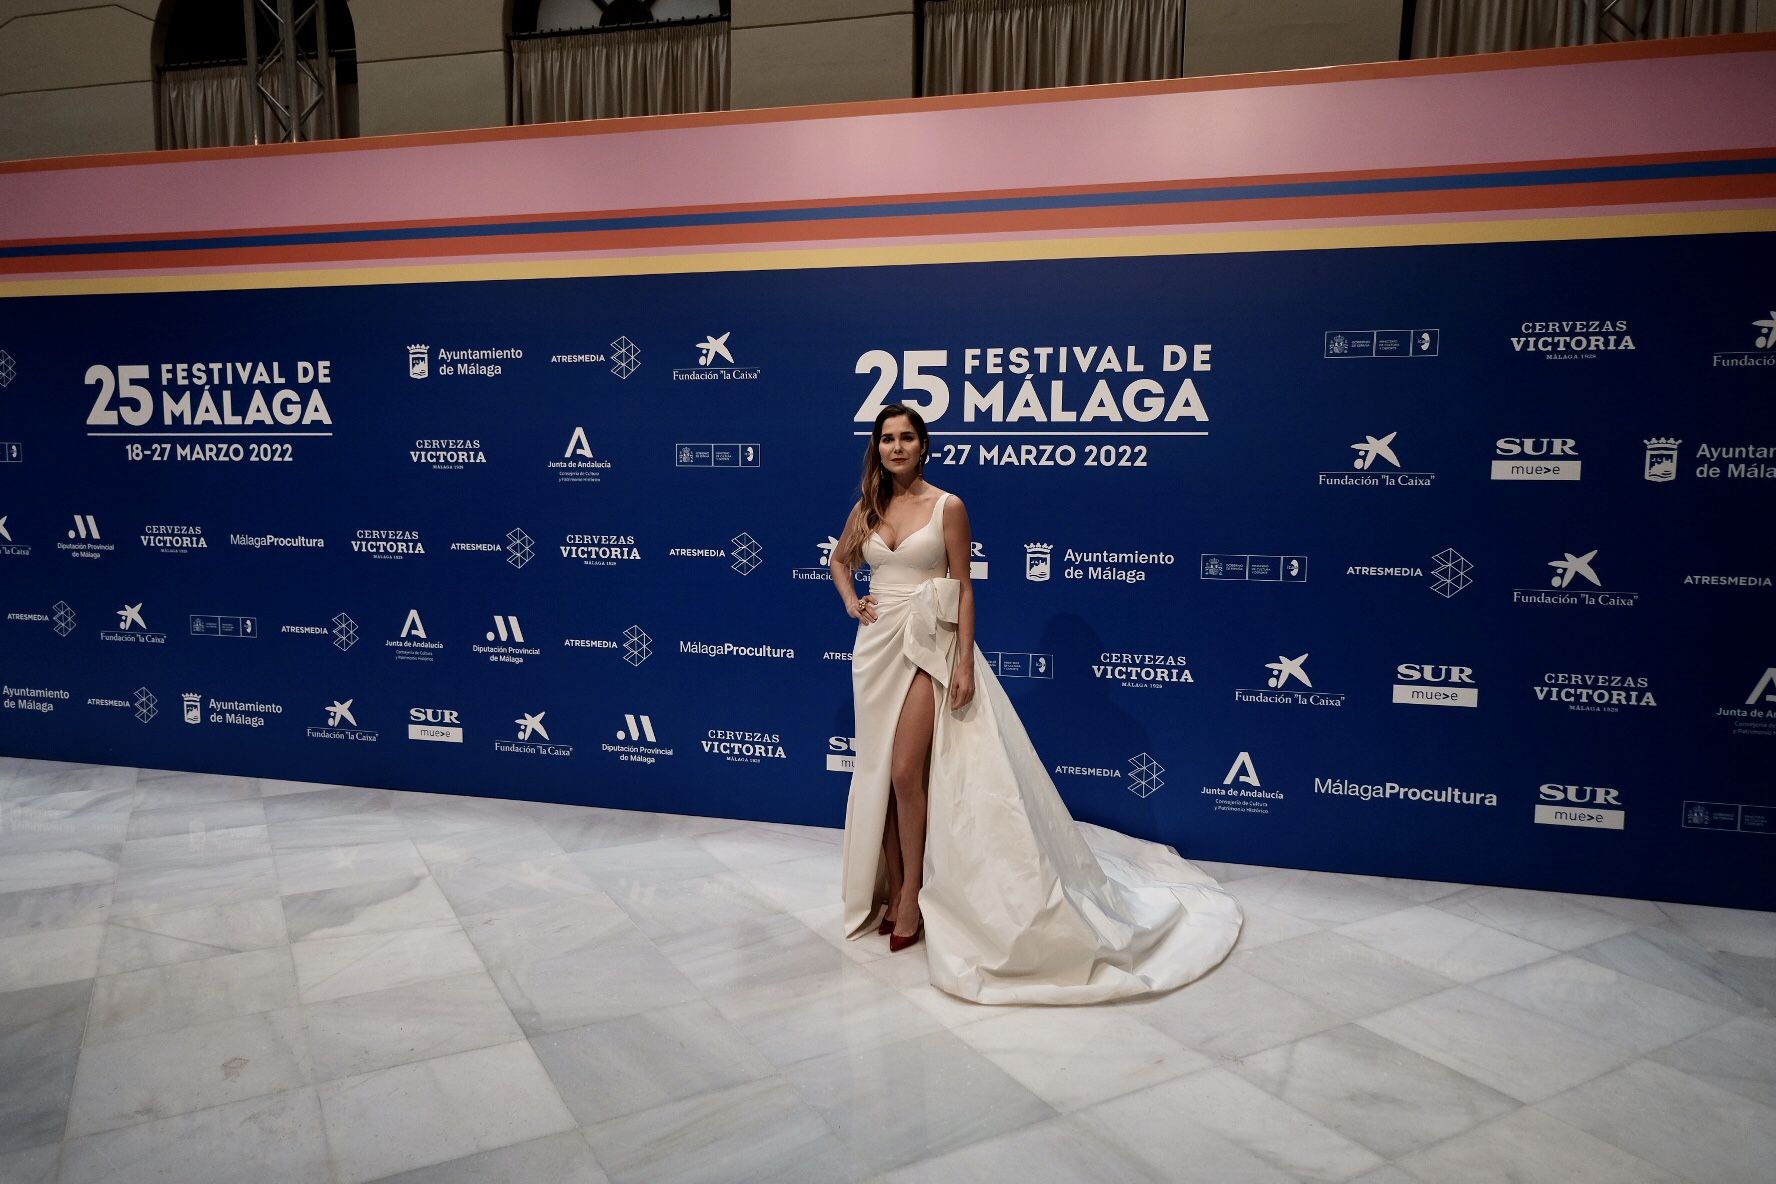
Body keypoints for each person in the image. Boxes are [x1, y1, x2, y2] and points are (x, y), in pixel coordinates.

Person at [829, 403, 1243, 1004]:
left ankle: (914, 895)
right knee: (877, 778)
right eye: (887, 438)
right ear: (878, 447)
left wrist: (964, 660)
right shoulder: (866, 508)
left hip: (930, 647)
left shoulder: (949, 506)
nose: (897, 447)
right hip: (874, 652)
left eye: (907, 437)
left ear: (924, 445)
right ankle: (890, 892)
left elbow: (966, 588)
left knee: (903, 773)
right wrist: (851, 602)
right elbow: (840, 562)